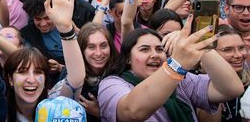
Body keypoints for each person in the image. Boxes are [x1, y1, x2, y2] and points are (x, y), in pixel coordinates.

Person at [98, 16, 244, 121]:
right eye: (144, 49)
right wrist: (177, 63)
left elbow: (232, 89)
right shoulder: (112, 84)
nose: (155, 55)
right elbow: (132, 111)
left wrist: (200, 45)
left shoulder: (181, 80)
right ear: (128, 58)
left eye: (160, 49)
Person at [4, 0, 85, 121]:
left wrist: (66, 30)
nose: (42, 24)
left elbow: (76, 78)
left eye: (47, 18)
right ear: (10, 79)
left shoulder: (55, 101)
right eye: (37, 19)